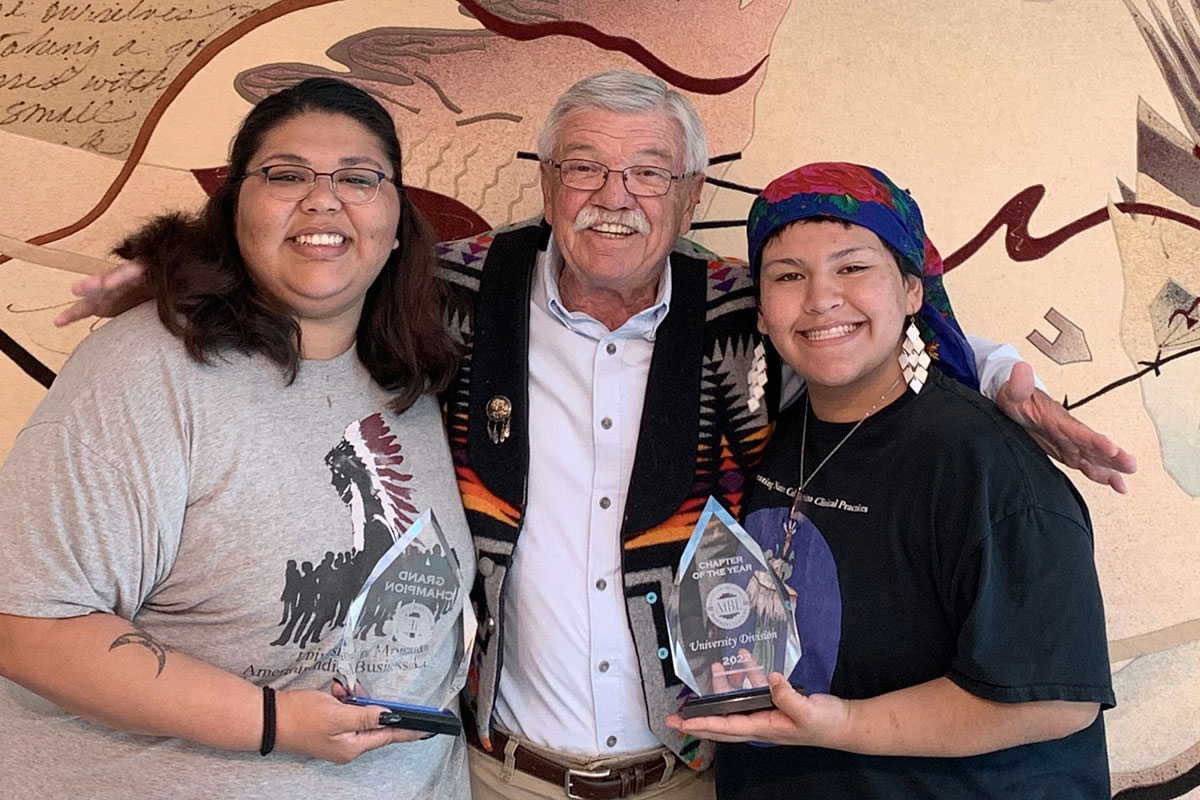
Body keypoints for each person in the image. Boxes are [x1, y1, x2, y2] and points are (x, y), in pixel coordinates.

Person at [52, 71, 1134, 799]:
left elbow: (845, 306)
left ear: (690, 190)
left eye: (650, 172)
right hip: (497, 772)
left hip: (699, 773)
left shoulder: (739, 309)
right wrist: (182, 270)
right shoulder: (463, 292)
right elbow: (329, 251)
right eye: (584, 167)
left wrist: (988, 364)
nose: (615, 195)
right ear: (545, 180)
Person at [0, 78, 474, 798]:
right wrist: (273, 722)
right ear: (233, 211)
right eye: (285, 175)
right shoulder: (145, 372)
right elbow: (27, 627)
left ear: (397, 221)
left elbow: (578, 251)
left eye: (358, 178)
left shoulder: (414, 369)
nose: (324, 199)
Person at [666, 162, 1114, 798]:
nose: (821, 298)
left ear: (911, 292)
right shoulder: (767, 434)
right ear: (760, 311)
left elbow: (1056, 700)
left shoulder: (986, 464)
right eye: (789, 276)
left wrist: (845, 722)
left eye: (853, 268)